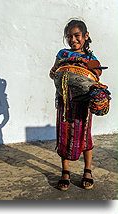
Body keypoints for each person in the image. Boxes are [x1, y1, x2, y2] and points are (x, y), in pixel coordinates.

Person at [49, 19, 102, 191]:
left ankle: (87, 170)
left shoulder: (91, 58)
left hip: (83, 105)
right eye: (69, 36)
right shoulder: (62, 54)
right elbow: (53, 72)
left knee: (85, 135)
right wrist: (57, 74)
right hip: (64, 103)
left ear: (86, 36)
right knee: (64, 135)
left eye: (77, 35)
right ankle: (65, 172)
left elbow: (96, 76)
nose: (73, 40)